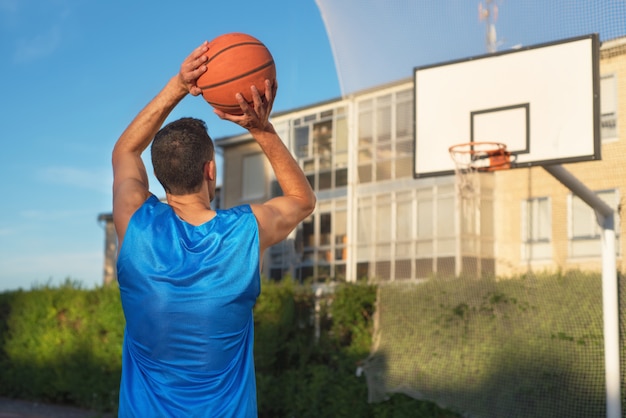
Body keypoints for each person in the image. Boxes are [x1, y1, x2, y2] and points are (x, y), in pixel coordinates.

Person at [111, 41, 316, 417]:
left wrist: (178, 84)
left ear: (158, 177)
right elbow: (302, 200)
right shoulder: (243, 234)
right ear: (212, 171)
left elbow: (125, 151)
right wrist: (261, 128)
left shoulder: (135, 224)